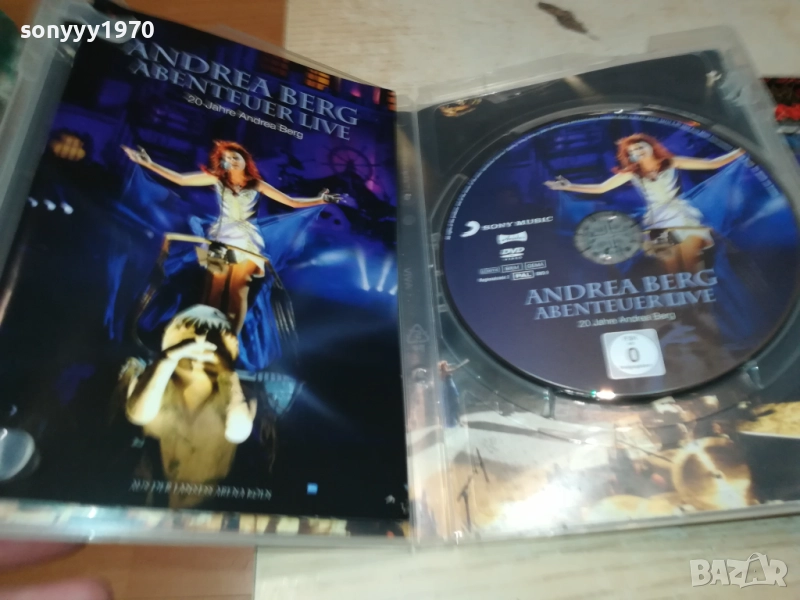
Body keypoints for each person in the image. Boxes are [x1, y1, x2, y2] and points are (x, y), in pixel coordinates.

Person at [122, 141, 341, 333]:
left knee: (238, 291)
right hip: (220, 238)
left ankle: (229, 338)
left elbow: (292, 202)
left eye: (235, 157)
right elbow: (180, 179)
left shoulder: (257, 184)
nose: (231, 161)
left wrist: (320, 200)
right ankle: (204, 334)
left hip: (247, 241)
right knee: (213, 290)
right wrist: (148, 163)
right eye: (226, 158)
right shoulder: (217, 179)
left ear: (245, 160)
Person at [121, 304, 257, 509]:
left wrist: (226, 372)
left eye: (213, 342)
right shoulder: (153, 387)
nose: (200, 342)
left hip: (207, 502)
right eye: (188, 341)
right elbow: (138, 414)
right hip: (158, 498)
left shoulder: (240, 394)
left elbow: (239, 430)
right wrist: (167, 360)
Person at [545, 134, 744, 273]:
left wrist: (742, 150)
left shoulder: (671, 162)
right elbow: (601, 188)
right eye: (632, 150)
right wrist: (569, 186)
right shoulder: (632, 173)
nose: (637, 151)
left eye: (640, 147)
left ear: (651, 146)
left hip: (682, 216)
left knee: (693, 263)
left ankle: (701, 308)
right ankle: (682, 312)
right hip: (658, 221)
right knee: (671, 270)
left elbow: (712, 163)